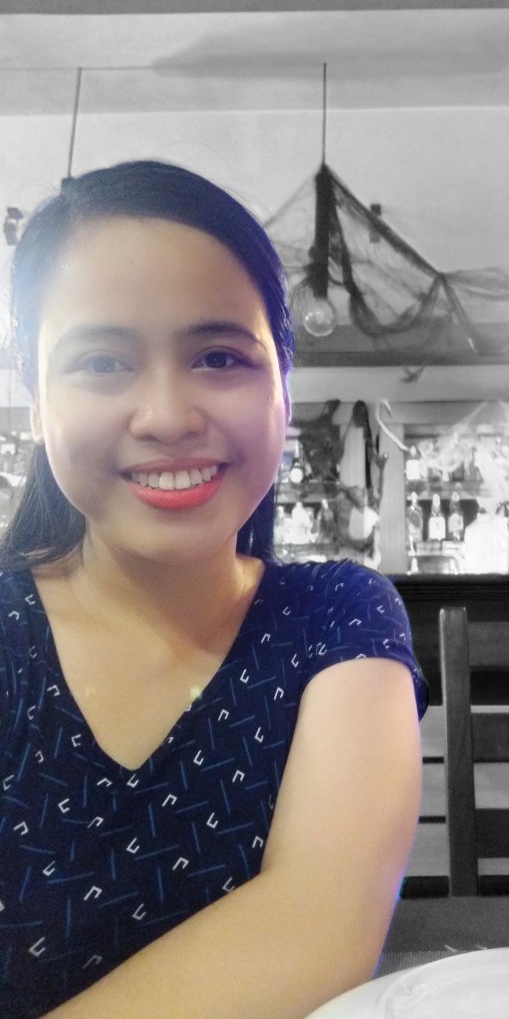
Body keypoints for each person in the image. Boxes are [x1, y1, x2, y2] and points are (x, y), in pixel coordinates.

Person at [0, 160, 428, 1019]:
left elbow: (317, 928)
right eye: (101, 361)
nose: (166, 416)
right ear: (35, 399)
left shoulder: (336, 619)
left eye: (220, 357)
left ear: (284, 388)